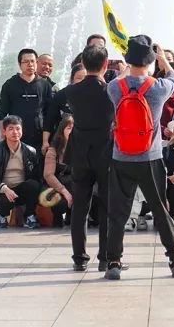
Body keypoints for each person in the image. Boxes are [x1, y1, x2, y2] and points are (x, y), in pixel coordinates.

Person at [105, 35, 174, 280]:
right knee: (161, 210)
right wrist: (163, 59)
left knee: (118, 212)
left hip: (121, 157)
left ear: (128, 59)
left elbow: (120, 79)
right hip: (150, 158)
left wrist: (124, 69)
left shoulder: (114, 87)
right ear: (150, 61)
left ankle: (114, 263)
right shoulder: (158, 88)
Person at [62, 44, 115, 272]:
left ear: (83, 62)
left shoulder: (71, 91)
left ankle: (79, 258)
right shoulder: (111, 91)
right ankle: (105, 258)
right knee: (107, 207)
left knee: (80, 207)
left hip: (80, 154)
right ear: (105, 65)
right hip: (105, 153)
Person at [0, 115, 43, 229]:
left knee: (34, 185)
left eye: (18, 128)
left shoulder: (30, 151)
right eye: (11, 129)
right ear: (4, 131)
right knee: (4, 201)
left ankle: (29, 215)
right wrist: (4, 188)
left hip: (21, 189)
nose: (15, 132)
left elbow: (36, 175)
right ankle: (2, 215)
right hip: (2, 190)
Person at [0, 48, 54, 151]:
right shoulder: (9, 85)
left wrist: (46, 141)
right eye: (26, 61)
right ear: (20, 64)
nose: (30, 64)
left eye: (33, 61)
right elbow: (2, 113)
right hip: (16, 137)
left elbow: (49, 115)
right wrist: (3, 137)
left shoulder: (45, 85)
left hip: (38, 138)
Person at [43, 63, 85, 155]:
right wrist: (45, 141)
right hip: (61, 140)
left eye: (85, 78)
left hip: (85, 141)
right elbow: (50, 120)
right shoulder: (62, 95)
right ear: (72, 78)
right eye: (79, 78)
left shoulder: (95, 96)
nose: (82, 81)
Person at [42, 115, 75, 227]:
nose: (72, 131)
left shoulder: (82, 149)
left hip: (74, 185)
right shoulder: (53, 150)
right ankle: (57, 216)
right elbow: (48, 175)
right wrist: (64, 191)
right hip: (56, 187)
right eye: (69, 128)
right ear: (62, 131)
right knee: (56, 201)